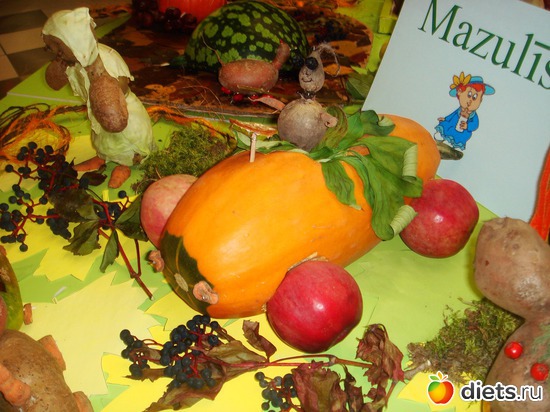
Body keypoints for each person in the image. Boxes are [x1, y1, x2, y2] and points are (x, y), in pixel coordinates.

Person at [42, 7, 155, 187]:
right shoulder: (72, 62)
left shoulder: (107, 59)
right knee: (102, 138)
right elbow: (54, 83)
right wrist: (59, 64)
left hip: (125, 115)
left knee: (124, 141)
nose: (51, 50)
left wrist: (101, 83)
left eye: (55, 46)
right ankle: (103, 156)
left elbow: (115, 119)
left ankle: (125, 164)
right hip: (97, 114)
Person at [434, 72, 495, 152]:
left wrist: (467, 126)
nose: (470, 100)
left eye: (475, 97)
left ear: (480, 100)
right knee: (447, 127)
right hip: (452, 125)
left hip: (463, 131)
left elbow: (475, 124)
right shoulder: (459, 110)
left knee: (459, 137)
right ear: (460, 93)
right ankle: (442, 138)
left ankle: (453, 146)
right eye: (469, 95)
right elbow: (452, 115)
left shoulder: (473, 115)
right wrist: (445, 119)